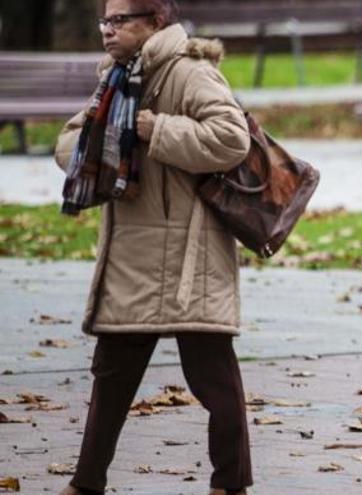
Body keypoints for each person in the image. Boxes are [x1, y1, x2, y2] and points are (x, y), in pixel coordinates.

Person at [54, 1, 252, 494]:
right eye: (105, 19)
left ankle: (230, 484)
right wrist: (101, 144)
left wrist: (155, 130)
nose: (107, 30)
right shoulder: (117, 78)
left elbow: (232, 139)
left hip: (188, 252)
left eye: (119, 20)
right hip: (131, 254)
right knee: (111, 378)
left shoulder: (189, 71)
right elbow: (68, 142)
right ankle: (86, 483)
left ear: (156, 20)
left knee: (214, 381)